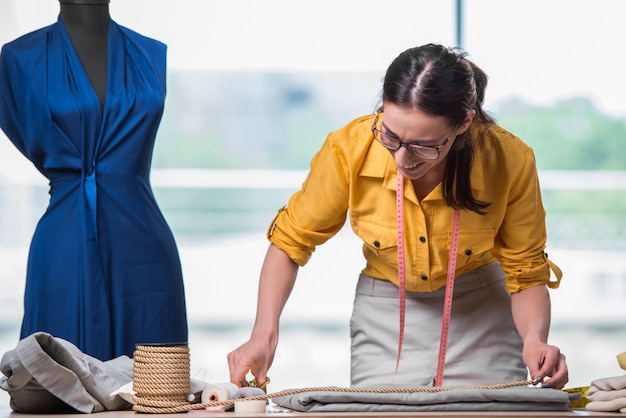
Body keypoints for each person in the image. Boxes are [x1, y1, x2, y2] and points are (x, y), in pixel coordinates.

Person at [227, 43, 569, 390]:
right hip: (386, 309)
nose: (403, 158)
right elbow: (290, 243)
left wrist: (535, 340)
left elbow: (525, 272)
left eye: (424, 144)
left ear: (464, 123)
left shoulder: (510, 159)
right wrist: (263, 335)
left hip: (481, 310)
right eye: (390, 135)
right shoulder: (348, 148)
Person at [0, 0, 188, 360]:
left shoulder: (149, 54)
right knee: (56, 392)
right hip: (64, 245)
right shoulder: (19, 60)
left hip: (145, 251)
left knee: (154, 395)